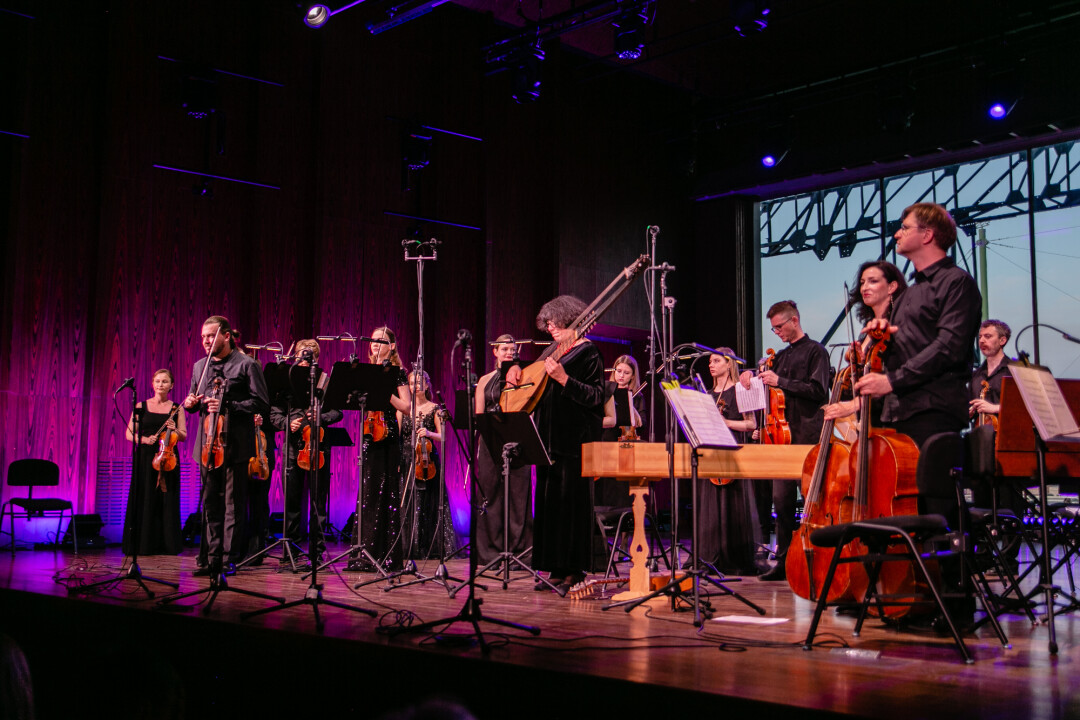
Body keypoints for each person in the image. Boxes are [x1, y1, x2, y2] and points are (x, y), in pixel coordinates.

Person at [852, 203, 981, 621]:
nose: (897, 234)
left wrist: (892, 380)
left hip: (934, 410)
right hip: (901, 412)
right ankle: (915, 597)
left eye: (904, 227)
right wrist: (885, 333)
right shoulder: (907, 295)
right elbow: (911, 341)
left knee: (938, 508)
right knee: (906, 508)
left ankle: (955, 604)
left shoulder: (957, 283)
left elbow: (949, 348)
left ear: (927, 235)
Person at [741, 300, 830, 582]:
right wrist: (750, 376)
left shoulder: (816, 351)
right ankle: (783, 561)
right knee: (781, 503)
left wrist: (780, 381)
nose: (777, 332)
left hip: (807, 437)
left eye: (779, 326)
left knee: (814, 502)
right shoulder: (779, 356)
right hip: (780, 439)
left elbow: (818, 390)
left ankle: (819, 560)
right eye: (773, 328)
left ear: (794, 320)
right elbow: (764, 382)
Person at [183, 315, 270, 580]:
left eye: (211, 336)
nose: (206, 341)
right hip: (208, 444)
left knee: (233, 504)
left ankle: (229, 559)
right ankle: (210, 558)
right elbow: (195, 399)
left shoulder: (247, 364)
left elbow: (261, 403)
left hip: (236, 444)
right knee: (210, 503)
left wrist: (229, 405)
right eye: (203, 337)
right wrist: (191, 403)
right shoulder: (200, 366)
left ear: (227, 336)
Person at [532, 296, 605, 592]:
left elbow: (596, 396)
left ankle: (574, 570)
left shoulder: (589, 352)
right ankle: (554, 567)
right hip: (547, 440)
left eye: (554, 322)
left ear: (569, 318)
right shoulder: (552, 351)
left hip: (574, 442)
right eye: (547, 323)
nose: (550, 327)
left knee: (571, 507)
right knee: (549, 507)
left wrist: (564, 379)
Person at [271, 339, 342, 568]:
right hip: (293, 450)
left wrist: (321, 417)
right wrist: (287, 423)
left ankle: (317, 553)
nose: (304, 359)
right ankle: (290, 551)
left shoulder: (325, 381)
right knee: (292, 504)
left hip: (318, 450)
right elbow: (274, 413)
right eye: (301, 354)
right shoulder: (287, 381)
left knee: (318, 505)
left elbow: (338, 412)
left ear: (316, 358)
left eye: (309, 355)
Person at [696, 348, 760, 575]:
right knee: (711, 504)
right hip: (711, 453)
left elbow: (751, 424)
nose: (711, 365)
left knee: (733, 502)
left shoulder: (740, 390)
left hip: (733, 452)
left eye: (716, 361)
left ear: (728, 363)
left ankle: (733, 556)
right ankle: (712, 555)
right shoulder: (706, 394)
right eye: (710, 361)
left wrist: (726, 423)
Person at [823, 260, 908, 426]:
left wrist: (854, 405)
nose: (864, 288)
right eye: (862, 283)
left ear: (891, 287)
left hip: (895, 419)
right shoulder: (867, 332)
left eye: (873, 281)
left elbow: (897, 377)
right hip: (870, 420)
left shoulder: (898, 324)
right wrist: (856, 363)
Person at [353, 326, 411, 572]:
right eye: (373, 340)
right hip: (369, 436)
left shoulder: (398, 373)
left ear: (392, 346)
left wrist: (386, 394)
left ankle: (385, 555)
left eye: (381, 340)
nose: (375, 344)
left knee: (385, 494)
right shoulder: (366, 371)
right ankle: (364, 552)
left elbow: (407, 407)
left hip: (387, 438)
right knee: (368, 494)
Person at [473, 335, 534, 564]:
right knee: (490, 494)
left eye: (513, 349)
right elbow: (479, 415)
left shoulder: (524, 375)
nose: (510, 352)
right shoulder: (485, 380)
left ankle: (519, 551)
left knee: (518, 495)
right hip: (490, 440)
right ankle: (490, 551)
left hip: (517, 439)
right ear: (495, 352)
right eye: (505, 349)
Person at [122, 369, 187, 556]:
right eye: (157, 381)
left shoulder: (177, 408)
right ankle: (142, 544)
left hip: (168, 457)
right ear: (152, 384)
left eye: (165, 381)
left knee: (167, 498)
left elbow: (183, 435)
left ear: (171, 385)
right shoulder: (141, 406)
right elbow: (129, 434)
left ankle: (167, 544)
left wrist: (175, 429)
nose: (160, 384)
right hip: (145, 456)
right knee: (144, 496)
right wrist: (144, 439)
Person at [398, 369, 454, 559]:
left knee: (428, 501)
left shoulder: (435, 408)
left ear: (427, 385)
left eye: (419, 382)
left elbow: (443, 436)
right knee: (408, 501)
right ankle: (408, 545)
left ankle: (426, 544)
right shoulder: (404, 409)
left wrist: (429, 433)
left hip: (426, 459)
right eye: (411, 383)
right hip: (407, 459)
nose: (415, 386)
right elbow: (399, 437)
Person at [596, 354, 643, 506]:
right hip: (606, 443)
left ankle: (624, 518)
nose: (621, 375)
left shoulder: (637, 396)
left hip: (625, 447)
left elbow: (642, 423)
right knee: (604, 487)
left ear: (633, 376)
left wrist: (631, 407)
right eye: (619, 371)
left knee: (621, 491)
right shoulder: (605, 391)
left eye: (626, 373)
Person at [969, 319, 1012, 423]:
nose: (981, 340)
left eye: (987, 336)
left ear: (1002, 340)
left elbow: (1024, 408)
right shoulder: (975, 375)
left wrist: (995, 408)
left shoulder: (1013, 372)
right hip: (979, 431)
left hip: (1008, 431)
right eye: (980, 337)